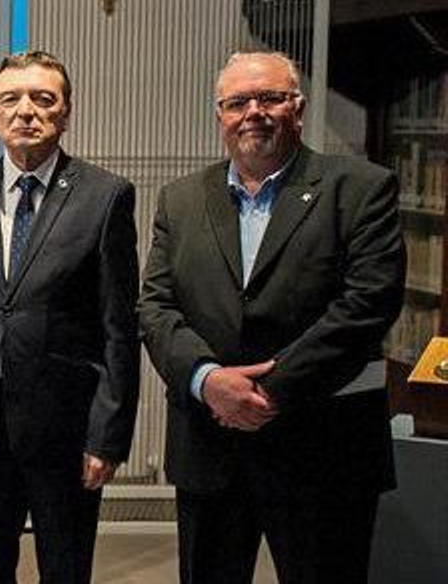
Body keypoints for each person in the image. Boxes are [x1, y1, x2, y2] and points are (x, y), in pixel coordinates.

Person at [138, 51, 403, 584]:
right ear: (221, 116)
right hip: (211, 451)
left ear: (298, 109)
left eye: (271, 98)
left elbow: (366, 305)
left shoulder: (360, 188)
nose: (254, 112)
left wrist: (262, 393)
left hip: (323, 451)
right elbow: (155, 305)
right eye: (238, 102)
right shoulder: (182, 200)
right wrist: (208, 381)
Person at [0, 51, 140, 584]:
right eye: (10, 99)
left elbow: (119, 329)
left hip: (65, 427)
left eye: (44, 99)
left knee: (65, 568)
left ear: (65, 114)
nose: (26, 112)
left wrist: (106, 436)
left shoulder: (105, 197)